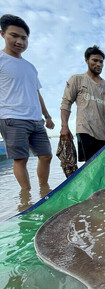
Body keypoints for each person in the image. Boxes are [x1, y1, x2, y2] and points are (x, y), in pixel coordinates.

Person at [0, 14, 55, 190]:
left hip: (35, 119)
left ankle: (44, 189)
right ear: (2, 34)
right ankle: (27, 195)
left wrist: (47, 116)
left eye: (23, 38)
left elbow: (36, 93)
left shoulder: (30, 67)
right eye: (14, 36)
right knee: (21, 159)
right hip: (11, 117)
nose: (19, 41)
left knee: (46, 156)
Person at [60, 45, 105, 162]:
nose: (98, 64)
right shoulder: (77, 79)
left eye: (101, 62)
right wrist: (64, 126)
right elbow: (66, 103)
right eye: (95, 60)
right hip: (85, 130)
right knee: (91, 166)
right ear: (86, 60)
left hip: (103, 134)